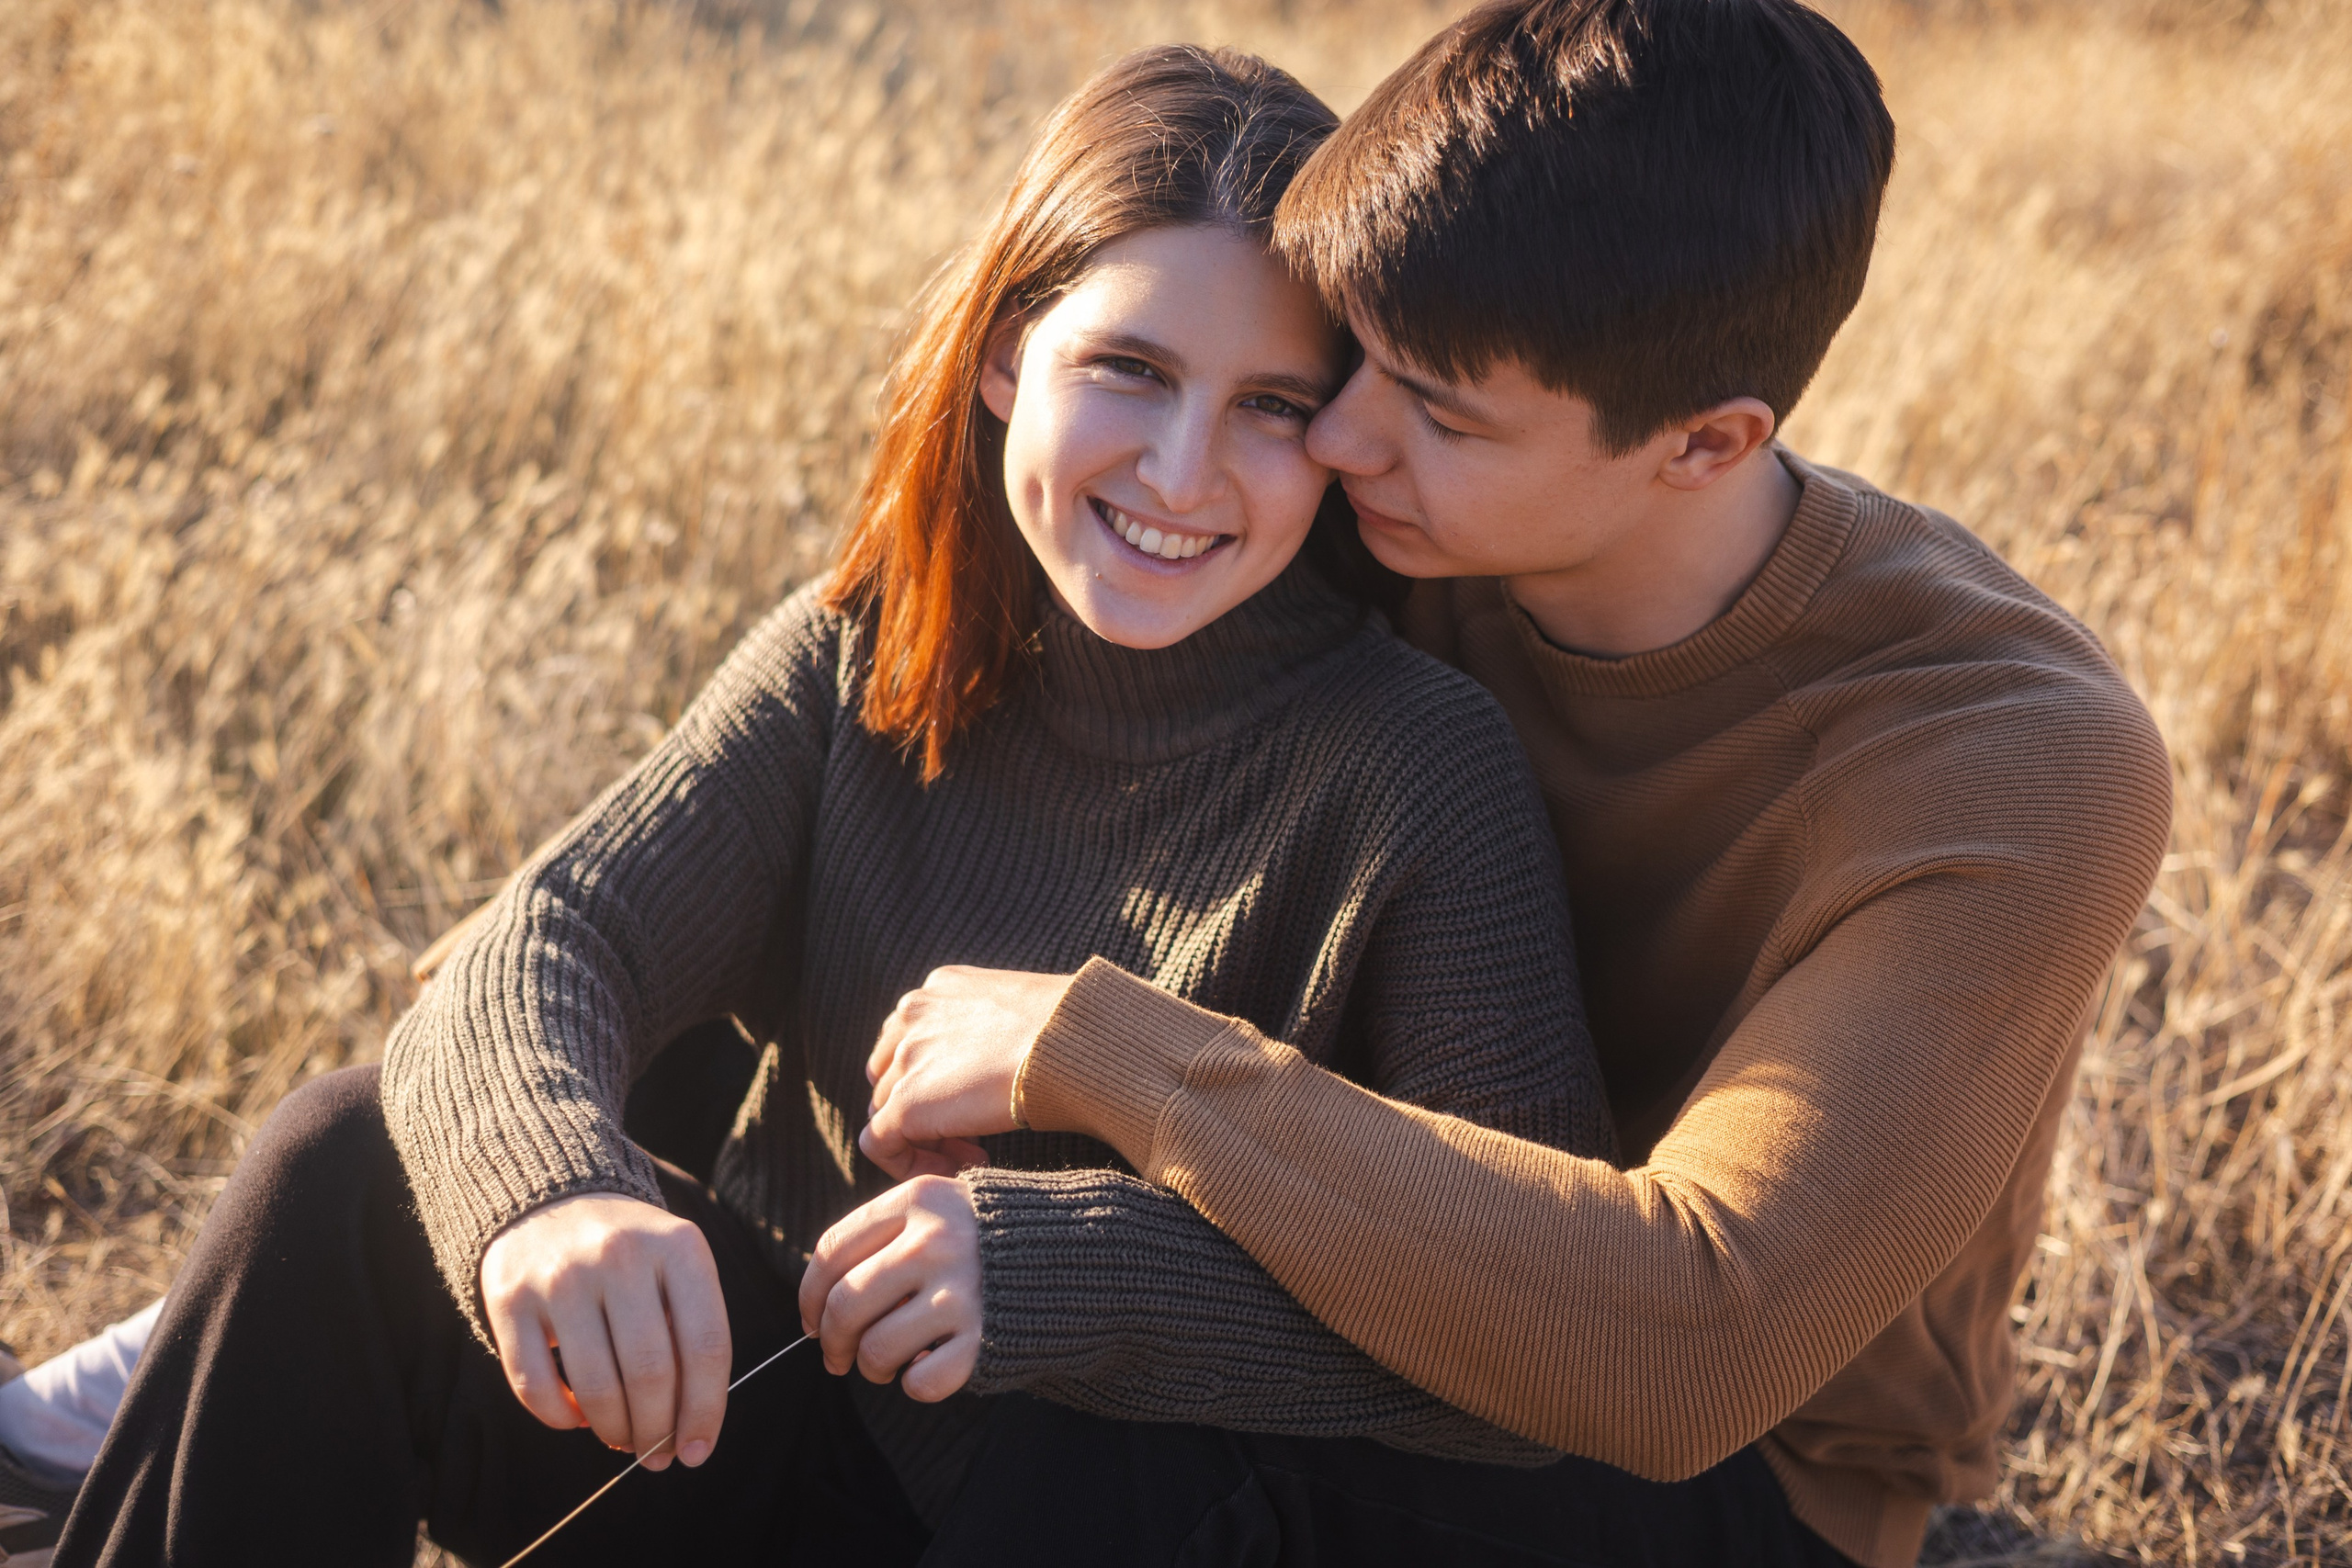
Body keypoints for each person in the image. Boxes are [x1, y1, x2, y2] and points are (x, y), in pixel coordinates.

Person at [56, 43, 1616, 1567]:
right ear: (1010, 355)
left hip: (1107, 1516)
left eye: (1275, 404)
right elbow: (546, 937)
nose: (1184, 469)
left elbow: (1526, 1346)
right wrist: (555, 1192)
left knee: (1106, 1465)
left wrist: (1075, 1279)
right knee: (343, 1163)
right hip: (768, 1430)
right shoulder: (872, 648)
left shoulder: (1418, 769)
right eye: (1128, 369)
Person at [830, 2, 2176, 1566]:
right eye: (1350, 366)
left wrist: (1112, 1053)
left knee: (1121, 1414)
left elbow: (1689, 1348)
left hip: (1719, 1486)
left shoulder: (2013, 761)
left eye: (1438, 409)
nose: (1332, 435)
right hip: (1330, 1300)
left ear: (1705, 443)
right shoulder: (1393, 509)